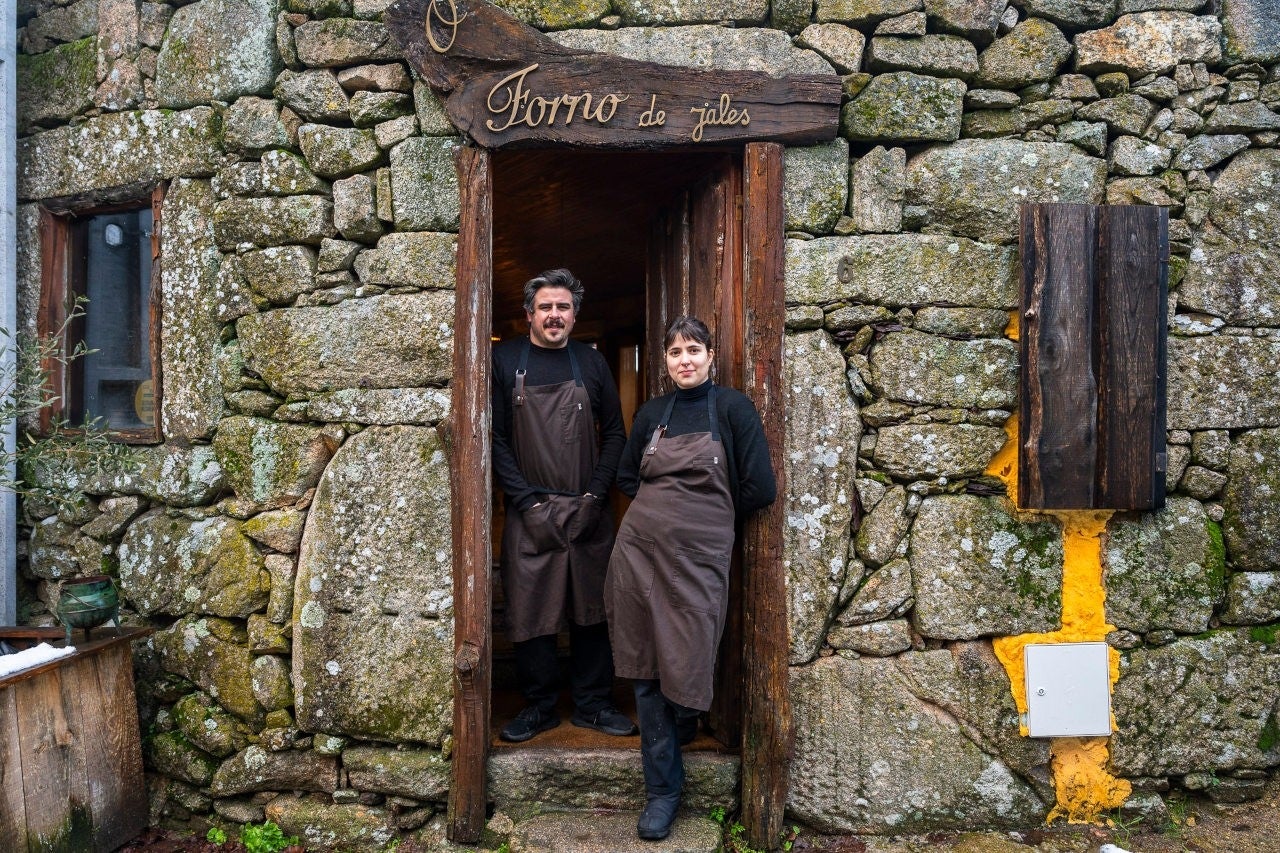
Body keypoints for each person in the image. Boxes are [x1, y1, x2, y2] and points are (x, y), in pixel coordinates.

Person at [605, 315, 777, 840]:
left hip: (699, 556)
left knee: (689, 648)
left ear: (709, 356)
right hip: (638, 552)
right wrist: (662, 518)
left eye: (693, 350)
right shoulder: (653, 413)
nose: (684, 359)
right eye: (675, 351)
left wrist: (704, 522)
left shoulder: (732, 408)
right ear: (665, 360)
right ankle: (663, 790)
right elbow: (626, 474)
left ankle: (683, 726)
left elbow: (760, 487)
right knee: (644, 664)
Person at [492, 268, 637, 742]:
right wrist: (527, 502)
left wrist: (596, 496)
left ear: (575, 315)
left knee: (591, 610)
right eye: (546, 307)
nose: (555, 315)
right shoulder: (504, 359)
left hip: (586, 509)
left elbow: (615, 434)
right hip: (528, 511)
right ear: (528, 314)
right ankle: (539, 707)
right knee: (532, 614)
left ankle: (593, 704)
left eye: (564, 307)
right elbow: (492, 437)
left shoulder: (591, 364)